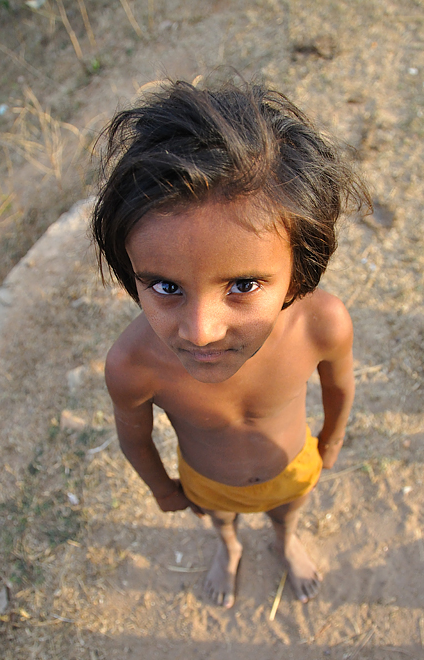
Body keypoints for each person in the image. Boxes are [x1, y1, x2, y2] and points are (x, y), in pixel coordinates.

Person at [92, 79, 371, 608]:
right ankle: (228, 546)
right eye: (166, 287)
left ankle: (286, 539)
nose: (200, 331)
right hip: (206, 481)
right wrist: (163, 489)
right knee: (219, 520)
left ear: (300, 270)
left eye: (242, 285)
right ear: (132, 274)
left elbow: (340, 385)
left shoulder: (323, 324)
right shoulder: (132, 365)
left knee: (289, 510)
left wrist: (331, 440)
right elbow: (136, 440)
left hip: (293, 466)